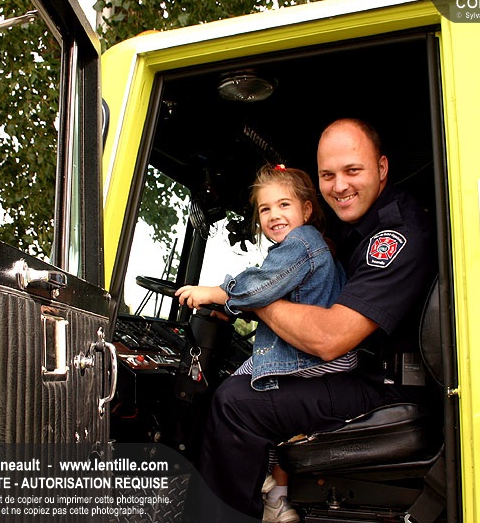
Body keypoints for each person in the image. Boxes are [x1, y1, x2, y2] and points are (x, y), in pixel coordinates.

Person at [193, 118, 437, 521]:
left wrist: (252, 299)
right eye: (328, 175)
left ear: (381, 168)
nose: (339, 186)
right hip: (360, 373)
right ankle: (272, 498)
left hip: (387, 387)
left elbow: (329, 338)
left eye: (352, 170)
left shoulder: (398, 234)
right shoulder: (351, 228)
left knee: (234, 403)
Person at [176, 164, 356, 523]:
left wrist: (214, 292)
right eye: (265, 209)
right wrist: (233, 309)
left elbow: (260, 286)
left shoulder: (300, 243)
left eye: (284, 205)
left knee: (232, 397)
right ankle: (276, 499)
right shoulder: (312, 246)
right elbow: (280, 304)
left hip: (307, 357)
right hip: (328, 360)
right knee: (267, 416)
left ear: (307, 210)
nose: (274, 215)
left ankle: (240, 480)